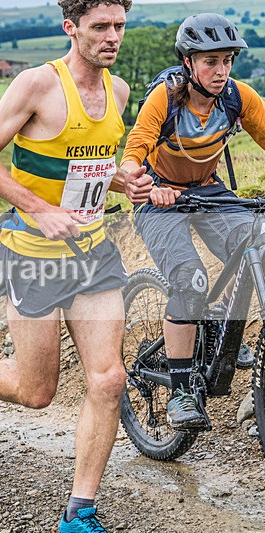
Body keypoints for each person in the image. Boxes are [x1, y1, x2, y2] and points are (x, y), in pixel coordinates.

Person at [0, 1, 152, 531]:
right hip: (34, 259)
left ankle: (80, 511)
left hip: (95, 255)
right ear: (71, 28)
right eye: (100, 26)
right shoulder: (37, 85)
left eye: (119, 26)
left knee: (108, 379)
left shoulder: (119, 92)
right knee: (37, 392)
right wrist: (39, 210)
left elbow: (88, 169)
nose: (112, 37)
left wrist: (123, 182)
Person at [120, 13, 265, 429]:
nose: (220, 71)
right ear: (188, 62)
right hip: (159, 194)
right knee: (190, 279)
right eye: (210, 61)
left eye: (227, 61)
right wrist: (141, 181)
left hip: (206, 188)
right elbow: (136, 148)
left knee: (256, 242)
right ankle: (182, 393)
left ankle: (225, 328)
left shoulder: (238, 97)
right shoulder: (165, 98)